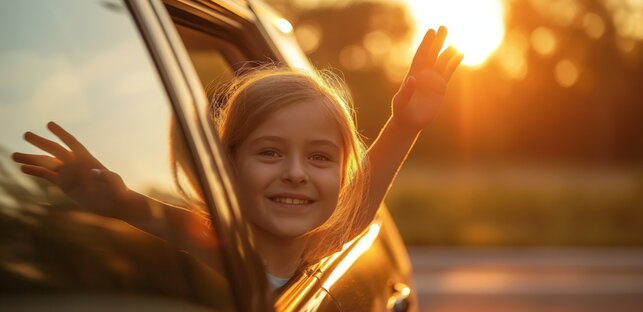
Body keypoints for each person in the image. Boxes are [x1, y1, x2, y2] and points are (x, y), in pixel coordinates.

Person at [12, 26, 462, 290]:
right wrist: (121, 201)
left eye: (320, 158)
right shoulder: (219, 249)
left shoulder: (312, 249)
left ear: (343, 175)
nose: (295, 173)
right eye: (269, 152)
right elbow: (159, 219)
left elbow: (361, 206)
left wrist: (404, 124)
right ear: (226, 167)